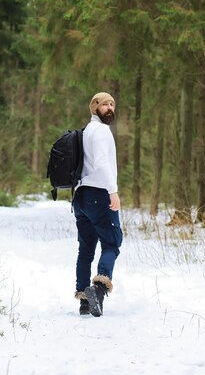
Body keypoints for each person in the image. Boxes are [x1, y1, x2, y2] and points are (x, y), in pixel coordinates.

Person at [73, 92, 123, 317]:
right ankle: (99, 289)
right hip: (98, 193)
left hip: (81, 196)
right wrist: (113, 191)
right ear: (95, 108)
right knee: (112, 243)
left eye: (112, 104)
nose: (110, 108)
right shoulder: (101, 131)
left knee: (86, 249)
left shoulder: (86, 132)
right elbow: (102, 163)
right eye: (105, 105)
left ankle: (84, 301)